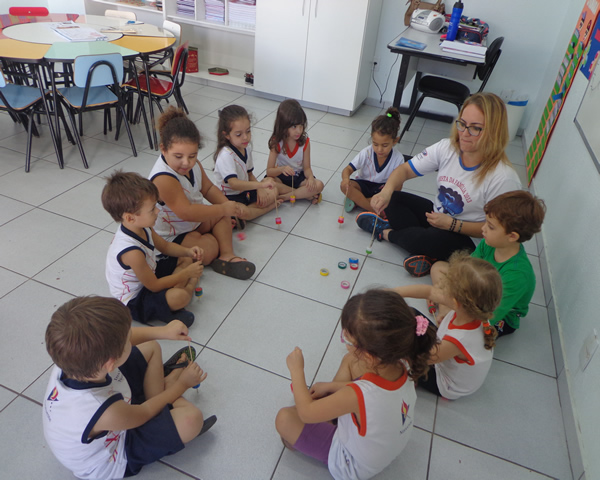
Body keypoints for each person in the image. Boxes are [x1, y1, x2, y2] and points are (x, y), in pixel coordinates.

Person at [43, 296, 216, 480]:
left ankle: (163, 392)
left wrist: (163, 331)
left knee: (150, 346)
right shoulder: (102, 410)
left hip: (112, 403)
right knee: (191, 420)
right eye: (127, 339)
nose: (131, 338)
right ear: (110, 364)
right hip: (114, 455)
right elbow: (144, 412)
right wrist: (182, 385)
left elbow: (123, 340)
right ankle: (169, 386)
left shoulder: (74, 357)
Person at [275, 289, 438, 479]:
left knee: (284, 419)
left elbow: (306, 413)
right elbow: (373, 393)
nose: (345, 342)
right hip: (382, 447)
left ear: (369, 356)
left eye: (347, 338)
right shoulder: (404, 364)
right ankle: (330, 415)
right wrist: (331, 386)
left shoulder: (358, 394)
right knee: (350, 360)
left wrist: (297, 371)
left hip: (351, 464)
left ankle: (328, 421)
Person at [357, 92, 522, 277]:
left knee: (430, 238)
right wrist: (386, 192)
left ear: (494, 132)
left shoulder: (503, 178)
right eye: (462, 124)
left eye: (475, 128)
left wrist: (453, 225)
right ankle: (426, 253)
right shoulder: (447, 147)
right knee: (394, 199)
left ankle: (387, 233)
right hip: (437, 218)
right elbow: (404, 170)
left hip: (467, 238)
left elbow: (497, 231)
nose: (464, 133)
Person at [150, 106, 256, 281]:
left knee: (222, 212)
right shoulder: (163, 178)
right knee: (209, 248)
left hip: (194, 222)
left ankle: (227, 254)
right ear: (163, 149)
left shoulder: (193, 164)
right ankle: (211, 243)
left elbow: (207, 188)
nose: (186, 162)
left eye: (192, 156)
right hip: (172, 235)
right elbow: (187, 212)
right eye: (178, 157)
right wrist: (223, 209)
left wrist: (228, 206)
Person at [430, 190, 546, 337]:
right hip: (477, 288)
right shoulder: (488, 243)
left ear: (512, 236)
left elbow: (491, 315)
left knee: (473, 333)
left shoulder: (517, 275)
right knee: (439, 268)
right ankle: (445, 312)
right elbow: (464, 269)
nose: (483, 229)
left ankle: (447, 315)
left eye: (490, 227)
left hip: (498, 315)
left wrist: (450, 301)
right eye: (486, 222)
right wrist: (445, 289)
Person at [393, 252, 502, 399]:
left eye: (446, 286)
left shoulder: (458, 340)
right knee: (408, 314)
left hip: (444, 382)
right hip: (441, 351)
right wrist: (394, 292)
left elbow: (424, 358)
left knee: (396, 355)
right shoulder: (475, 310)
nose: (441, 288)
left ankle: (412, 380)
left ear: (455, 302)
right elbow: (429, 292)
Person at [102, 171, 203, 327]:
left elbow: (165, 246)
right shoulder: (131, 252)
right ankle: (186, 288)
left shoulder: (143, 226)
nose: (158, 211)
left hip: (149, 273)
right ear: (130, 217)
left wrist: (188, 251)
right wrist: (188, 274)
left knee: (185, 258)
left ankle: (171, 296)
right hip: (135, 300)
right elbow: (154, 285)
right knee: (180, 297)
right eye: (152, 209)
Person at [213, 105, 280, 220]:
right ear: (226, 135)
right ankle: (265, 209)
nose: (245, 137)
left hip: (245, 192)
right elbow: (234, 184)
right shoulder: (226, 155)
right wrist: (260, 185)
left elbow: (249, 174)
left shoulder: (246, 148)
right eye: (239, 134)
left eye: (248, 131)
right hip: (228, 197)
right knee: (241, 212)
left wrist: (260, 189)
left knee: (273, 189)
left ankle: (251, 211)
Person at [340, 107, 405, 213]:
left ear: (395, 141)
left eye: (385, 145)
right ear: (371, 138)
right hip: (363, 185)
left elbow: (398, 183)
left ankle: (359, 201)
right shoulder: (367, 152)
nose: (379, 149)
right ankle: (374, 209)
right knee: (345, 187)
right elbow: (347, 169)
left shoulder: (398, 158)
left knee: (397, 190)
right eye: (375, 144)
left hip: (383, 189)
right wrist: (345, 179)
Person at [266, 99, 324, 204]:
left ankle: (285, 197)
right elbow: (269, 171)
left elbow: (307, 168)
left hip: (298, 178)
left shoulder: (305, 142)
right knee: (267, 182)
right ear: (283, 125)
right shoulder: (276, 142)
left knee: (319, 185)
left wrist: (311, 178)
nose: (299, 131)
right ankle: (302, 194)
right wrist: (282, 169)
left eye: (301, 126)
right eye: (294, 127)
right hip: (281, 178)